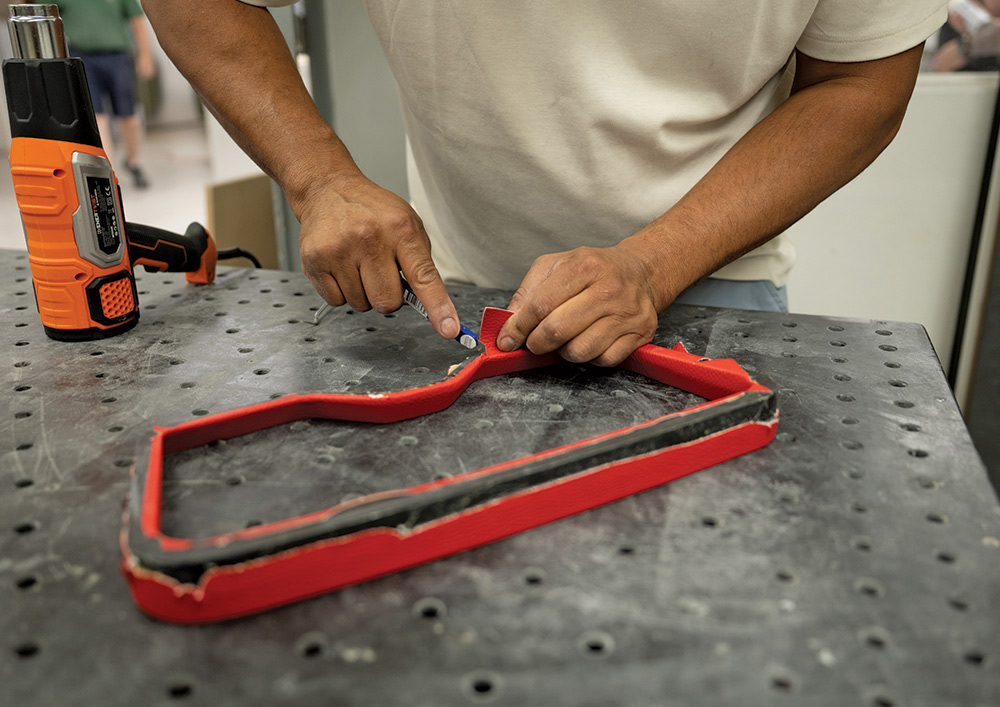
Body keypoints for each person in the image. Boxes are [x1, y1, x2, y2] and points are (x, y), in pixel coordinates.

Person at [142, 1, 946, 365]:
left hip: (712, 278)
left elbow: (861, 83)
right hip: (457, 287)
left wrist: (653, 262)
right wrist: (319, 177)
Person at [56, 0, 155, 188]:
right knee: (98, 119)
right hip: (81, 57)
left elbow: (136, 19)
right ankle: (108, 174)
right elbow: (47, 18)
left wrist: (145, 55)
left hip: (118, 56)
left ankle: (133, 162)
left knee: (129, 119)